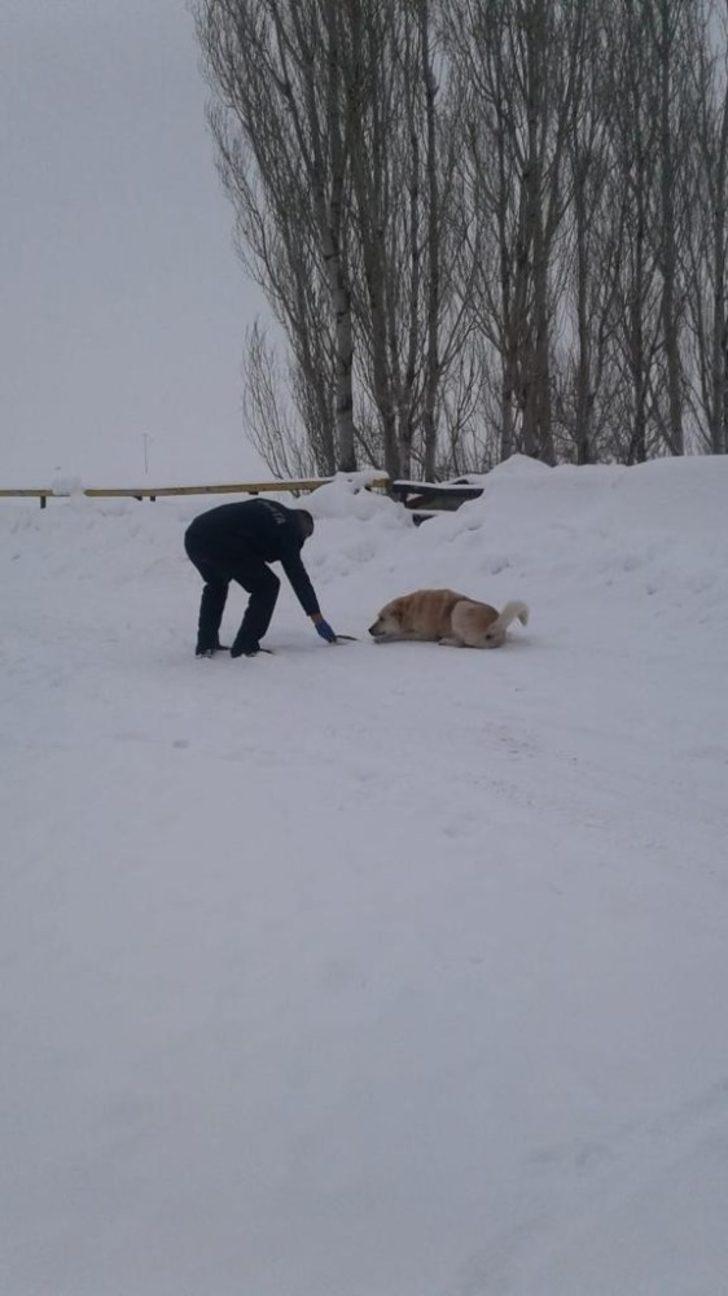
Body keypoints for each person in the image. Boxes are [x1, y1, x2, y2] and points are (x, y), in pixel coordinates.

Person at [184, 498, 337, 657]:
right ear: (304, 529)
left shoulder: (274, 509)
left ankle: (206, 643)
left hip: (195, 536)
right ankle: (246, 645)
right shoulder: (289, 529)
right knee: (267, 586)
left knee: (217, 583)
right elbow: (297, 576)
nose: (303, 541)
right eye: (306, 536)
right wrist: (317, 618)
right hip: (221, 541)